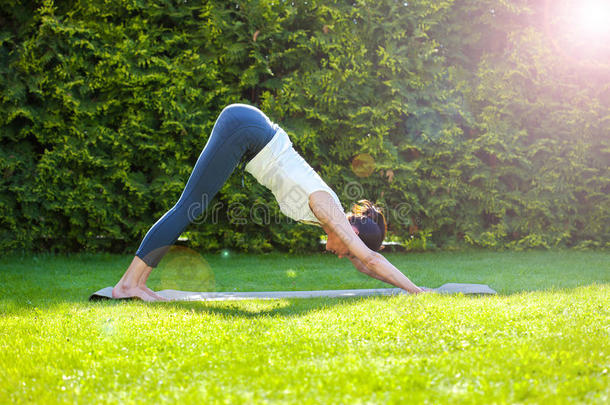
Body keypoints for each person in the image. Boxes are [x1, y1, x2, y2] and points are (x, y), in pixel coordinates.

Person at [112, 104, 425, 301]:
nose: (343, 257)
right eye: (349, 252)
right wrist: (418, 292)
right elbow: (369, 260)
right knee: (188, 207)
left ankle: (134, 284)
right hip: (245, 130)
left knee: (190, 207)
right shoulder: (328, 208)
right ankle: (129, 285)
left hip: (248, 132)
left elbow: (365, 264)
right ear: (353, 236)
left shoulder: (332, 219)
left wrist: (402, 286)